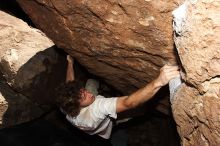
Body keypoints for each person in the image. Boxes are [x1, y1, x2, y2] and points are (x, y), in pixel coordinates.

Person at [56, 55, 180, 140]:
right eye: (84, 97)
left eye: (83, 91)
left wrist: (70, 62)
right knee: (137, 110)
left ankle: (102, 83)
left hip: (90, 114)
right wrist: (159, 81)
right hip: (108, 122)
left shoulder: (66, 106)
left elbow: (69, 83)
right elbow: (128, 103)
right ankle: (146, 111)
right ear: (76, 106)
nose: (89, 94)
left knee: (91, 83)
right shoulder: (96, 110)